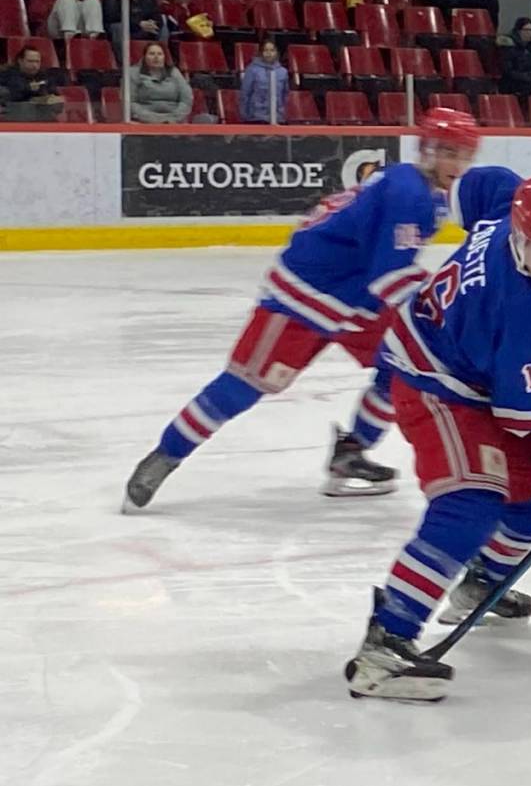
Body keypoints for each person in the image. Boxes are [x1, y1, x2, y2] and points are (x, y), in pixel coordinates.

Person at [124, 110, 486, 512]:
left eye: (464, 154)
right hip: (305, 291)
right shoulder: (409, 194)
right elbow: (390, 277)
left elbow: (385, 272)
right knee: (247, 383)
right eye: (448, 152)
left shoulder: (426, 193)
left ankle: (351, 453)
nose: (456, 164)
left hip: (357, 292)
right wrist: (445, 310)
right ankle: (165, 455)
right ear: (427, 150)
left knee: (401, 363)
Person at [345, 175, 531, 701]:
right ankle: (386, 643)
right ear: (519, 236)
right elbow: (524, 408)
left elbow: (475, 186)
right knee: (471, 505)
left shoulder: (501, 212)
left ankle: (481, 584)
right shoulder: (525, 313)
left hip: (468, 375)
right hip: (432, 381)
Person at [126, 40, 193, 122]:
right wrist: (154, 120)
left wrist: (173, 118)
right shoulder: (133, 73)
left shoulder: (174, 72)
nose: (156, 57)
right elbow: (131, 103)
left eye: (159, 54)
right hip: (144, 122)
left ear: (164, 57)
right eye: (152, 54)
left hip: (174, 121)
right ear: (144, 57)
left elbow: (186, 100)